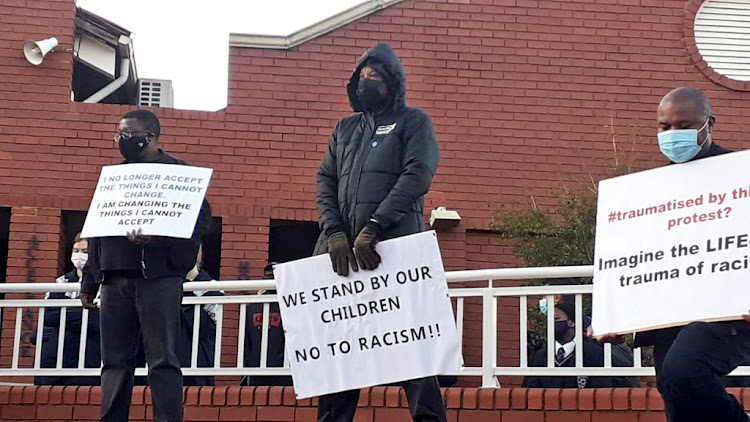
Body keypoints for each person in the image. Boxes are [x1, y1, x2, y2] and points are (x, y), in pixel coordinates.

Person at [595, 87, 750, 422]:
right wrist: (616, 317)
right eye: (664, 127)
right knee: (675, 392)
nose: (671, 134)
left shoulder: (741, 174)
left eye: (683, 125)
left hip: (727, 314)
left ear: (709, 124)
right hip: (670, 316)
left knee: (685, 368)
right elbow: (635, 260)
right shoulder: (649, 192)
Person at [314, 43, 444, 422]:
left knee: (413, 355)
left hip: (393, 252)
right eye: (363, 75)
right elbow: (325, 179)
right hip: (342, 259)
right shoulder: (345, 128)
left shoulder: (413, 122)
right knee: (339, 357)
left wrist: (374, 227)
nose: (368, 81)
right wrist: (334, 232)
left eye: (377, 76)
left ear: (394, 82)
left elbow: (417, 174)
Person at [80, 109, 212, 422]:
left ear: (149, 136)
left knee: (162, 359)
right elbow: (96, 229)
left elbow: (199, 221)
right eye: (118, 133)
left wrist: (158, 240)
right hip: (114, 277)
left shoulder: (180, 174)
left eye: (127, 133)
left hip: (160, 277)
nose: (120, 139)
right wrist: (89, 279)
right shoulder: (115, 176)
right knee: (114, 360)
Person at [540, 278, 639, 387]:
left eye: (544, 296)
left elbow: (626, 362)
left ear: (556, 298)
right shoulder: (555, 335)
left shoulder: (594, 328)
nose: (541, 301)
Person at [33, 233, 101, 386]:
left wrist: (65, 313)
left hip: (88, 361)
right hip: (54, 359)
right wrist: (83, 313)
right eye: (76, 251)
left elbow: (97, 321)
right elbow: (49, 315)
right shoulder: (61, 282)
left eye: (85, 252)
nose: (79, 256)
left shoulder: (103, 284)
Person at [523, 303, 613, 388]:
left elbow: (600, 392)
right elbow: (530, 391)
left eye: (556, 319)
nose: (551, 324)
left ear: (572, 322)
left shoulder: (593, 354)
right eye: (549, 320)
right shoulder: (540, 356)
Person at [242, 262, 292, 387]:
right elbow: (246, 340)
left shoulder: (290, 304)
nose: (270, 277)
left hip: (283, 371)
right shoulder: (253, 305)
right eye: (268, 275)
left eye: (274, 274)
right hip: (256, 370)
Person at [180, 245, 223, 386]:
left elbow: (204, 330)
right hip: (166, 368)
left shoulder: (212, 288)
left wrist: (185, 295)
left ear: (198, 254)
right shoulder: (165, 287)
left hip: (198, 371)